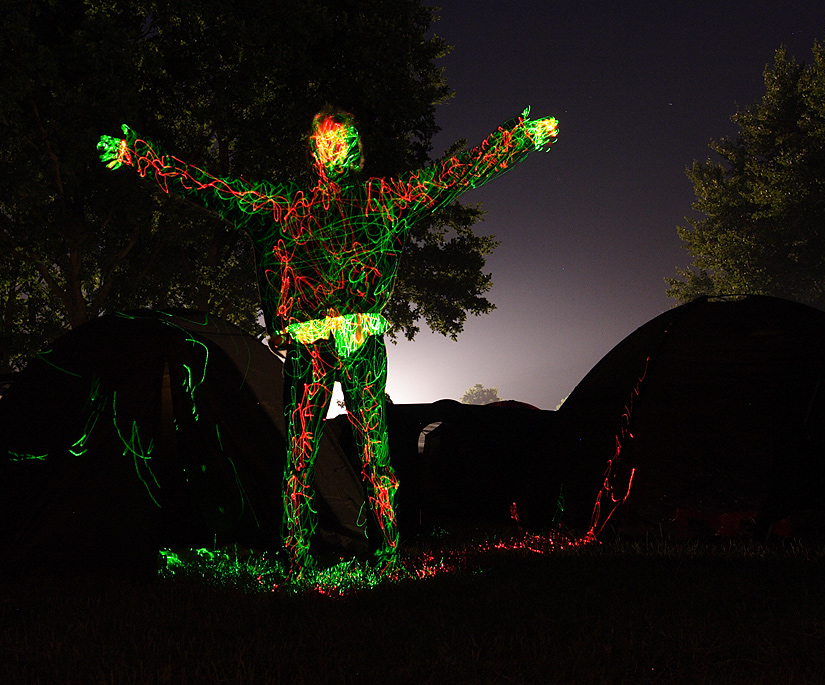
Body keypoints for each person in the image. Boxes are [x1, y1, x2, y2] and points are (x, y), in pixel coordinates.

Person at [97, 107, 559, 574]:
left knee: (372, 452)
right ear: (316, 151)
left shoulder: (383, 200)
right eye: (325, 140)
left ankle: (385, 550)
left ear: (354, 150)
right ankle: (296, 553)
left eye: (342, 140)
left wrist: (520, 137)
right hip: (311, 344)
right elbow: (213, 190)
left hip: (358, 340)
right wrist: (142, 157)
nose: (333, 148)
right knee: (299, 453)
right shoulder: (285, 208)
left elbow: (454, 174)